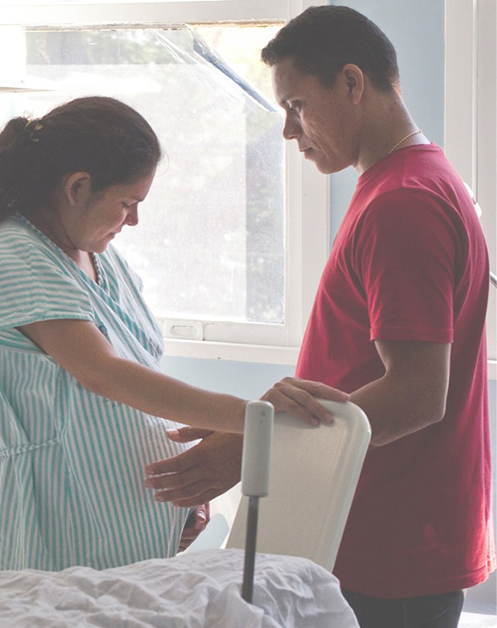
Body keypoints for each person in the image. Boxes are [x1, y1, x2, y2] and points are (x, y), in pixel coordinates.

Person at [145, 7, 493, 628]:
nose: (287, 130)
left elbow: (416, 394)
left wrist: (260, 448)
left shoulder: (403, 203)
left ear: (353, 83)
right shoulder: (409, 180)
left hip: (392, 544)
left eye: (298, 105)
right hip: (386, 528)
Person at [0, 96, 347, 572]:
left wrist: (184, 494)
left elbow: (135, 382)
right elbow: (104, 375)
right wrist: (252, 421)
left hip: (123, 525)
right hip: (57, 525)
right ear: (77, 186)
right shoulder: (15, 253)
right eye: (127, 202)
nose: (133, 220)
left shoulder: (96, 253)